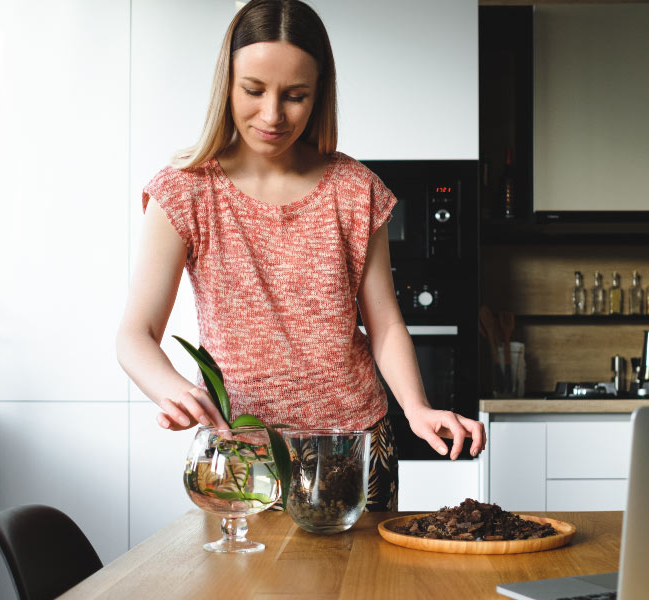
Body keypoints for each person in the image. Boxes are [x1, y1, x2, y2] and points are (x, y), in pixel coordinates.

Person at [115, 0, 485, 511]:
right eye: (253, 90)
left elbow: (385, 325)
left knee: (362, 590)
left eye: (295, 96)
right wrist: (172, 389)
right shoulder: (184, 192)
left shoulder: (355, 189)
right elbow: (135, 335)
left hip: (355, 442)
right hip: (245, 450)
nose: (272, 115)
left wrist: (416, 409)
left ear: (319, 96)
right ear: (227, 83)